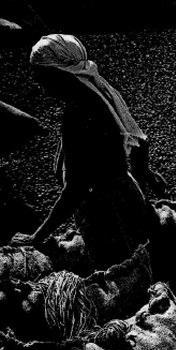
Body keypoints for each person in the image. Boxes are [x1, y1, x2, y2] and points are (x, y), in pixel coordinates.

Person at [9, 34, 163, 269]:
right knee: (139, 261)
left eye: (39, 73)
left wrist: (37, 237)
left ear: (57, 72)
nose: (36, 81)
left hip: (105, 210)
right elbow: (140, 141)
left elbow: (77, 187)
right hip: (123, 196)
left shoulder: (78, 114)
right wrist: (144, 174)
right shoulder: (100, 93)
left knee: (116, 272)